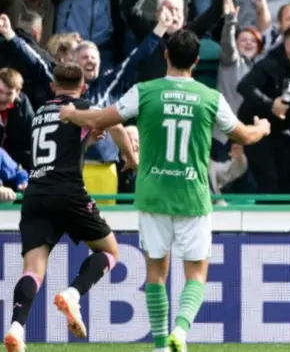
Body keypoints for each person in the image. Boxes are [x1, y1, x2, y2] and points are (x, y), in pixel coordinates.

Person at [58, 29, 271, 352]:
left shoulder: (145, 91)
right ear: (197, 61)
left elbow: (102, 116)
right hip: (192, 197)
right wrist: (263, 127)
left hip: (153, 194)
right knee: (196, 274)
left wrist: (73, 114)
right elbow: (243, 137)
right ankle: (181, 332)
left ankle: (160, 345)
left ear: (165, 55)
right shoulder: (210, 97)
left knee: (156, 273)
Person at [3, 63, 138, 352]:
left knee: (32, 269)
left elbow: (56, 151)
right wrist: (130, 157)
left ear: (53, 87)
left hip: (36, 192)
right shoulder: (82, 106)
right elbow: (114, 123)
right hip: (68, 190)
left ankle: (16, 327)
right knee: (110, 251)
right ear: (83, 87)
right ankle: (74, 293)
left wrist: (86, 140)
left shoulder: (39, 113)